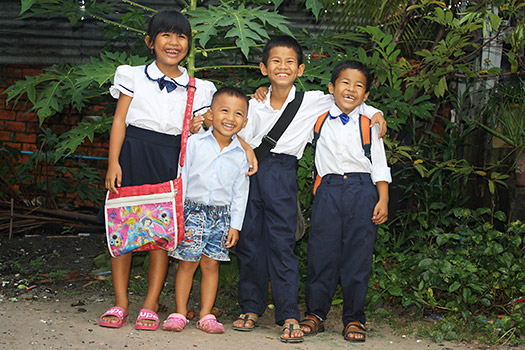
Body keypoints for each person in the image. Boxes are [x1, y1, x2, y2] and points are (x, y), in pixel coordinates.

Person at [99, 10, 255, 331]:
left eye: (181, 36)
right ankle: (120, 302)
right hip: (132, 155)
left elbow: (214, 126)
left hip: (172, 160)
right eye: (166, 35)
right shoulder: (132, 75)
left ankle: (149, 304)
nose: (174, 42)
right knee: (124, 231)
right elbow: (119, 121)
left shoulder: (200, 88)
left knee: (162, 235)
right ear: (150, 42)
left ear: (189, 44)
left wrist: (205, 125)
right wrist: (113, 162)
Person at [231, 35, 387, 343]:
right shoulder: (253, 103)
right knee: (250, 243)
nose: (282, 67)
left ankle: (289, 312)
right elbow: (233, 129)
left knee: (283, 244)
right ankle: (251, 307)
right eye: (275, 61)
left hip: (284, 173)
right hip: (248, 173)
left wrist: (376, 113)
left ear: (300, 70)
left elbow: (351, 98)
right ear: (263, 68)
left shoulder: (312, 100)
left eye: (290, 62)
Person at [299, 60, 390, 342]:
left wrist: (383, 199)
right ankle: (316, 313)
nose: (351, 89)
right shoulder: (318, 117)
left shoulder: (369, 123)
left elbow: (380, 164)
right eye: (345, 83)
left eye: (359, 86)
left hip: (363, 191)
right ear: (332, 88)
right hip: (327, 189)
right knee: (321, 253)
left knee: (357, 257)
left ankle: (354, 318)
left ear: (366, 95)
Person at [162, 87, 250, 334]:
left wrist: (235, 225)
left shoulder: (241, 155)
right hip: (192, 212)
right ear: (211, 113)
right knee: (187, 263)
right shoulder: (194, 143)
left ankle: (205, 314)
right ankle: (179, 311)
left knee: (212, 264)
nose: (230, 118)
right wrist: (178, 214)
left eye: (238, 114)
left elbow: (240, 192)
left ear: (244, 122)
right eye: (224, 111)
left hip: (222, 217)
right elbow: (183, 177)